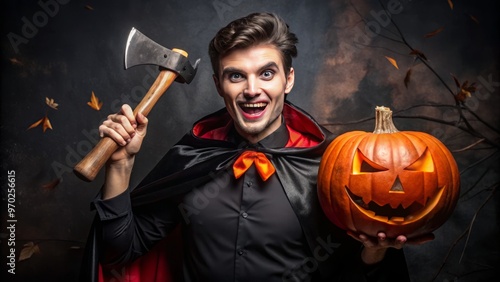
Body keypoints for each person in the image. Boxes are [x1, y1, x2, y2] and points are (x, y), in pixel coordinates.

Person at [81, 12, 430, 282]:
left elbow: (349, 276)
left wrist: (374, 253)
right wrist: (121, 165)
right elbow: (121, 251)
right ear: (219, 85)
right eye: (236, 76)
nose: (252, 89)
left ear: (288, 79)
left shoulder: (330, 168)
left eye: (266, 73)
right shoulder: (192, 157)